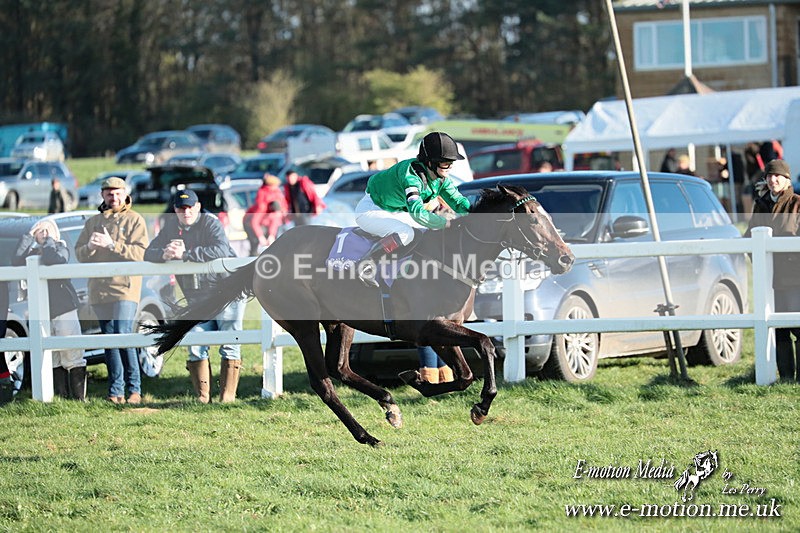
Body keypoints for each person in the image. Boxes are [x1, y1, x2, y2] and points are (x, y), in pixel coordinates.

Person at [144, 190, 246, 403]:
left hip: (227, 292)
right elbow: (148, 253)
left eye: (190, 207)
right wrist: (164, 253)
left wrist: (186, 254)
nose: (186, 211)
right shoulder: (170, 227)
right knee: (196, 340)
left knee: (229, 340)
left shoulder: (210, 222)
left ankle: (227, 397)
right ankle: (203, 397)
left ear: (198, 207)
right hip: (198, 298)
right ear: (175, 210)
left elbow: (221, 250)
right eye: (181, 208)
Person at [354, 131, 471, 287]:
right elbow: (417, 213)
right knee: (406, 233)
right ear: (430, 162)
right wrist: (446, 223)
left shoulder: (440, 179)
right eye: (445, 162)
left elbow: (458, 201)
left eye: (451, 162)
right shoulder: (411, 177)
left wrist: (477, 215)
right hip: (371, 211)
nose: (450, 167)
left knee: (426, 233)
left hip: (395, 212)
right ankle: (366, 265)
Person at [75, 177, 149, 404]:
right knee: (109, 339)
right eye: (108, 193)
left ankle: (134, 390)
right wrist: (89, 247)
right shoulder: (93, 222)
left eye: (117, 193)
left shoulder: (135, 220)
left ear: (125, 194)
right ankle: (115, 391)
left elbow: (141, 253)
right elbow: (79, 254)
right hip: (99, 289)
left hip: (125, 288)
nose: (113, 197)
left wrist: (111, 245)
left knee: (123, 333)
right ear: (102, 196)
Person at [13, 220, 86, 400]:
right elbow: (15, 260)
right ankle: (61, 398)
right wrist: (28, 237)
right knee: (52, 356)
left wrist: (49, 242)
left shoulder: (60, 248)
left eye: (48, 230)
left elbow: (52, 259)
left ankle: (78, 399)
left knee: (72, 352)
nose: (44, 233)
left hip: (64, 307)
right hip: (42, 312)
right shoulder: (30, 253)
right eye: (40, 230)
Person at [745, 159, 800, 382]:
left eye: (777, 176)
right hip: (769, 278)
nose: (772, 180)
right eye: (769, 176)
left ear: (787, 179)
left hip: (795, 278)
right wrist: (758, 264)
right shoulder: (761, 204)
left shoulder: (797, 204)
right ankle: (786, 377)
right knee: (778, 330)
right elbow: (749, 236)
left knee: (798, 326)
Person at [243, 173, 288, 256]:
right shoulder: (262, 206)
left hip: (264, 224)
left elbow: (275, 222)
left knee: (272, 242)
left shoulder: (277, 198)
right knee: (255, 243)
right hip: (249, 223)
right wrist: (261, 237)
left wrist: (271, 235)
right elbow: (254, 222)